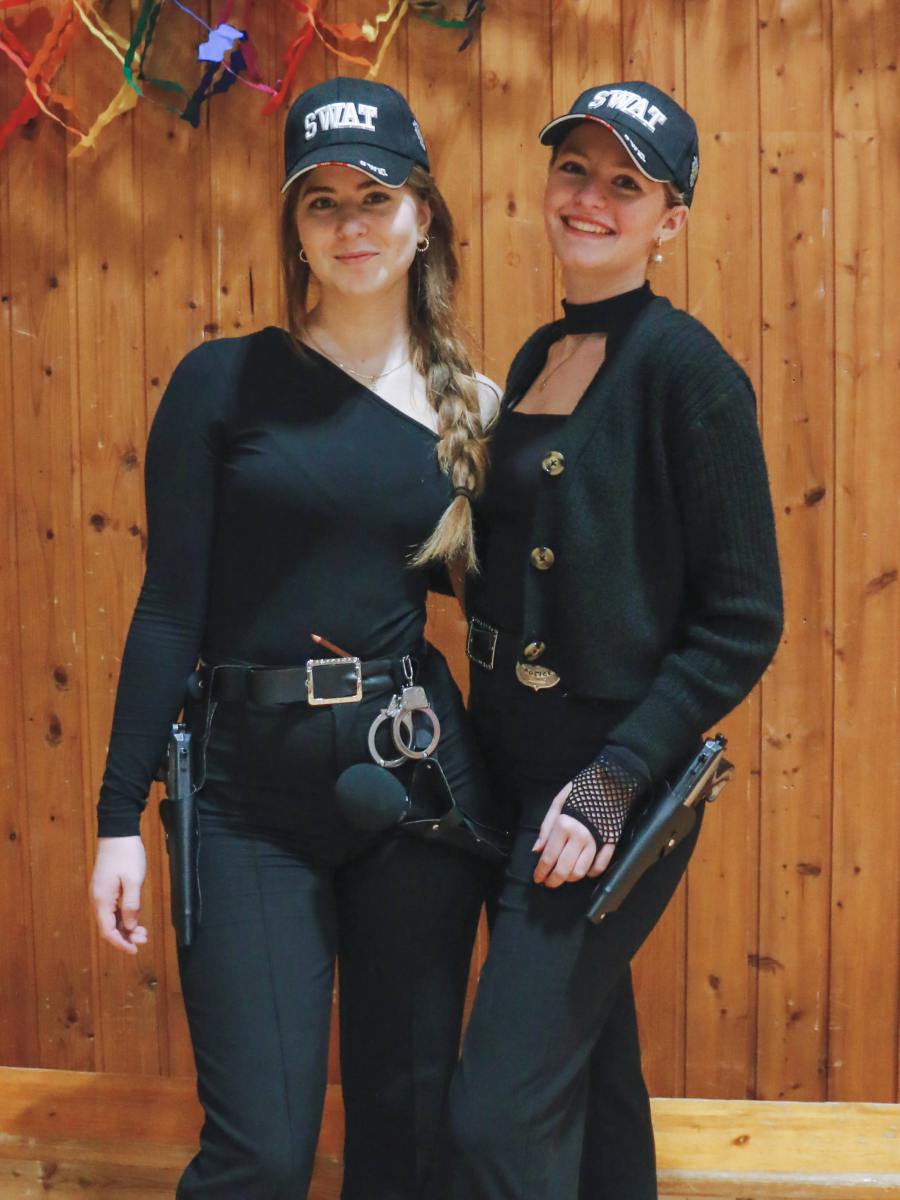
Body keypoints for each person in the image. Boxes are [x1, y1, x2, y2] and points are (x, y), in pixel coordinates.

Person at [89, 76, 502, 1200]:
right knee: (262, 1156)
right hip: (243, 803)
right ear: (295, 228)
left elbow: (511, 619)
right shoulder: (221, 383)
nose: (350, 224)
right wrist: (117, 817)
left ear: (423, 215)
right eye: (322, 202)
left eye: (375, 196)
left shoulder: (474, 410)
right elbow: (168, 607)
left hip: (414, 790)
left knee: (406, 1135)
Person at [440, 82, 784, 1199]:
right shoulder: (542, 351)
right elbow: (515, 558)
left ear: (669, 221)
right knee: (590, 1081)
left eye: (625, 184)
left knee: (496, 1116)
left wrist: (615, 779)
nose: (590, 198)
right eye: (575, 170)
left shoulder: (690, 374)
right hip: (506, 763)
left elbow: (744, 621)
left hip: (603, 790)